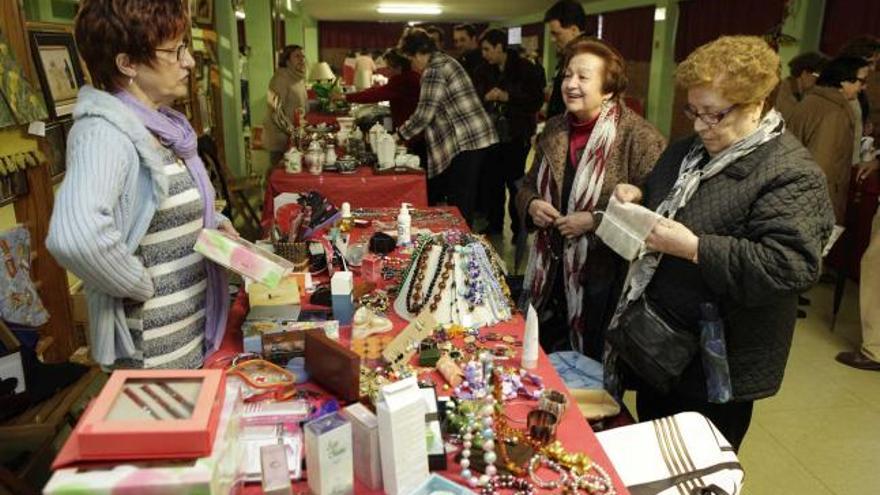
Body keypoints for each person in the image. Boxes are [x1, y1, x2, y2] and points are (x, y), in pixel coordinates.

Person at [605, 36, 834, 451]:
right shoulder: (688, 150)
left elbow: (791, 267)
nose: (699, 126)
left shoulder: (790, 172)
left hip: (719, 359)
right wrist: (638, 193)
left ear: (756, 103)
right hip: (661, 341)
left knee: (699, 465)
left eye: (714, 115)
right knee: (656, 451)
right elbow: (668, 192)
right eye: (693, 111)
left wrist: (695, 248)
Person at [47, 0, 237, 370]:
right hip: (156, 347)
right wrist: (137, 283)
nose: (189, 61)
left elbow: (159, 220)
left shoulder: (160, 128)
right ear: (127, 63)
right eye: (175, 50)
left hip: (189, 328)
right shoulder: (104, 132)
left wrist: (216, 233)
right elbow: (75, 236)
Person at [516, 37, 665, 359]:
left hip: (603, 274)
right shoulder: (554, 128)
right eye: (568, 75)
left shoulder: (639, 138)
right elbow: (528, 184)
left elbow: (657, 208)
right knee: (545, 351)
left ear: (608, 89)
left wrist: (596, 221)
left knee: (592, 358)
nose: (570, 84)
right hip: (551, 269)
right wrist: (531, 204)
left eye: (583, 77)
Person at [397, 28, 498, 226]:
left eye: (411, 59)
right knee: (461, 198)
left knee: (460, 203)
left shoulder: (433, 70)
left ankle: (462, 248)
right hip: (474, 137)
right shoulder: (445, 61)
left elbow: (425, 113)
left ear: (418, 53)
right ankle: (460, 241)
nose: (412, 65)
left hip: (467, 139)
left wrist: (399, 134)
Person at [478, 28, 546, 240]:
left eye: (488, 49)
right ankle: (494, 225)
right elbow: (476, 97)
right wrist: (486, 97)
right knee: (493, 183)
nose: (485, 54)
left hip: (516, 135)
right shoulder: (484, 70)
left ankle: (520, 228)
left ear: (500, 47)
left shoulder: (525, 68)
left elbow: (535, 100)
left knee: (516, 184)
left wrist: (508, 96)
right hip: (491, 136)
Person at [788, 56, 872, 225]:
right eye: (861, 81)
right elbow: (822, 167)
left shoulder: (813, 100)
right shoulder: (834, 113)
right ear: (843, 81)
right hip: (813, 209)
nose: (864, 87)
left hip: (795, 199)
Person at [263, 44, 308, 169]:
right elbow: (274, 111)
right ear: (287, 60)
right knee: (278, 172)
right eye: (297, 56)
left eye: (303, 56)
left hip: (292, 137)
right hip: (279, 139)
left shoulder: (297, 78)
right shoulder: (279, 79)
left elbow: (301, 104)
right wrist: (293, 132)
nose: (302, 60)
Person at [544, 0, 588, 119]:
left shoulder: (587, 58)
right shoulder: (570, 55)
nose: (553, 40)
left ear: (574, 30)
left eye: (556, 34)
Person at [774, 51, 828, 120]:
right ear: (805, 74)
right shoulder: (783, 94)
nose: (820, 82)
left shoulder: (799, 93)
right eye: (818, 76)